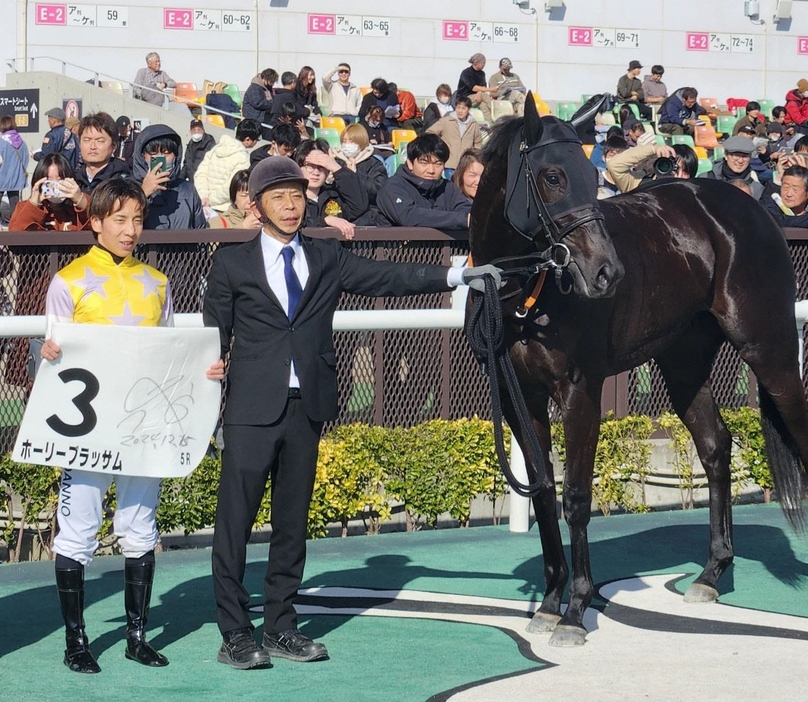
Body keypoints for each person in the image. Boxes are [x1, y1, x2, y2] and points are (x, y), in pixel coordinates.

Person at [202, 156, 500, 669]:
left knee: (292, 524)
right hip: (250, 409)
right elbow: (212, 337)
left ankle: (281, 626)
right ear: (257, 206)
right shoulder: (231, 263)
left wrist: (458, 275)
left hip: (308, 405)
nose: (291, 206)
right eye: (279, 197)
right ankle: (235, 632)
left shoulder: (325, 256)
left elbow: (387, 276)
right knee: (235, 524)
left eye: (297, 196)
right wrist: (209, 380)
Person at [40, 178, 224, 673]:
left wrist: (205, 369)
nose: (129, 230)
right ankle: (76, 642)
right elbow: (53, 354)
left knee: (140, 527)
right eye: (119, 219)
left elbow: (167, 355)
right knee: (77, 530)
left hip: (143, 424)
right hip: (88, 428)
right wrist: (49, 352)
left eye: (137, 220)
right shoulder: (68, 281)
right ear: (94, 221)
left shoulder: (157, 282)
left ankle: (137, 635)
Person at [376, 134, 472, 229]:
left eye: (438, 164)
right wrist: (461, 220)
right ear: (410, 163)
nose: (431, 170)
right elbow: (409, 216)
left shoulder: (448, 188)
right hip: (397, 243)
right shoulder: (393, 187)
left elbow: (466, 211)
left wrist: (466, 218)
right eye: (424, 163)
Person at [131, 124, 207, 229]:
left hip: (183, 245)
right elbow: (124, 225)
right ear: (143, 156)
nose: (160, 159)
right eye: (153, 153)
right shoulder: (128, 188)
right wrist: (143, 193)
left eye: (166, 153)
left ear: (176, 156)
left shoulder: (188, 189)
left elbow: (200, 230)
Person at [294, 139, 368, 239]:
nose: (316, 172)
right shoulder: (291, 199)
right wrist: (325, 221)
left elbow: (359, 206)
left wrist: (336, 168)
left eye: (321, 166)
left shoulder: (334, 196)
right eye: (310, 166)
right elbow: (291, 223)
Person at [9, 153, 90, 231]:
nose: (55, 187)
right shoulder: (24, 207)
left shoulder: (79, 207)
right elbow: (15, 236)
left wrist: (81, 201)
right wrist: (33, 205)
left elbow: (98, 225)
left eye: (60, 180)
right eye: (49, 182)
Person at [194, 119, 259, 213]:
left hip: (203, 205)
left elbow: (200, 174)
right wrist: (210, 200)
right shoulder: (243, 158)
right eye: (256, 139)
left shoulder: (216, 148)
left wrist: (204, 196)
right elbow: (232, 186)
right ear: (248, 139)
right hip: (224, 210)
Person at [329, 123, 388, 207]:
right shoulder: (336, 162)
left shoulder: (374, 164)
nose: (347, 145)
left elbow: (379, 191)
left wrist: (357, 175)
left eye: (351, 141)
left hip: (367, 211)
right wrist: (328, 182)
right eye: (344, 141)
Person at [606, 140, 697, 193]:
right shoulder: (638, 184)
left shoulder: (693, 198)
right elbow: (614, 166)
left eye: (685, 172)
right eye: (674, 169)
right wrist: (653, 149)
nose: (679, 176)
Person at [73, 112, 130, 194]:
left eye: (100, 141)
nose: (92, 147)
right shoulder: (74, 180)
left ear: (114, 146)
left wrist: (81, 201)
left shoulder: (124, 183)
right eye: (87, 140)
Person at [426, 96, 484, 175]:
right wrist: (439, 147)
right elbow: (429, 133)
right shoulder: (446, 121)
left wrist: (474, 157)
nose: (460, 111)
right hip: (450, 164)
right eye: (458, 108)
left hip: (466, 164)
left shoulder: (473, 124)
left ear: (469, 109)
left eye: (463, 108)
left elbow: (478, 142)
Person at [0, 115, 28, 226]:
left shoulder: (1, 142)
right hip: (16, 179)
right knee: (15, 207)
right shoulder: (22, 142)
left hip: (1, 178)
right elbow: (25, 160)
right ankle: (15, 228)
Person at [455, 54, 493, 124]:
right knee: (484, 95)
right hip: (464, 98)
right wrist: (489, 90)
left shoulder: (482, 73)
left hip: (476, 98)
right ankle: (494, 114)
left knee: (483, 105)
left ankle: (490, 124)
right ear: (477, 62)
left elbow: (483, 87)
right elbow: (473, 87)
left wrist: (479, 93)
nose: (484, 64)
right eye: (483, 62)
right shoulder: (466, 73)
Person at [293, 67, 321, 133]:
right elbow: (297, 104)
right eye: (310, 75)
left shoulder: (311, 89)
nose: (313, 77)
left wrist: (318, 112)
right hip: (300, 116)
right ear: (304, 75)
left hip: (310, 115)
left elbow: (314, 103)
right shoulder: (296, 88)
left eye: (313, 75)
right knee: (309, 124)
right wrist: (306, 109)